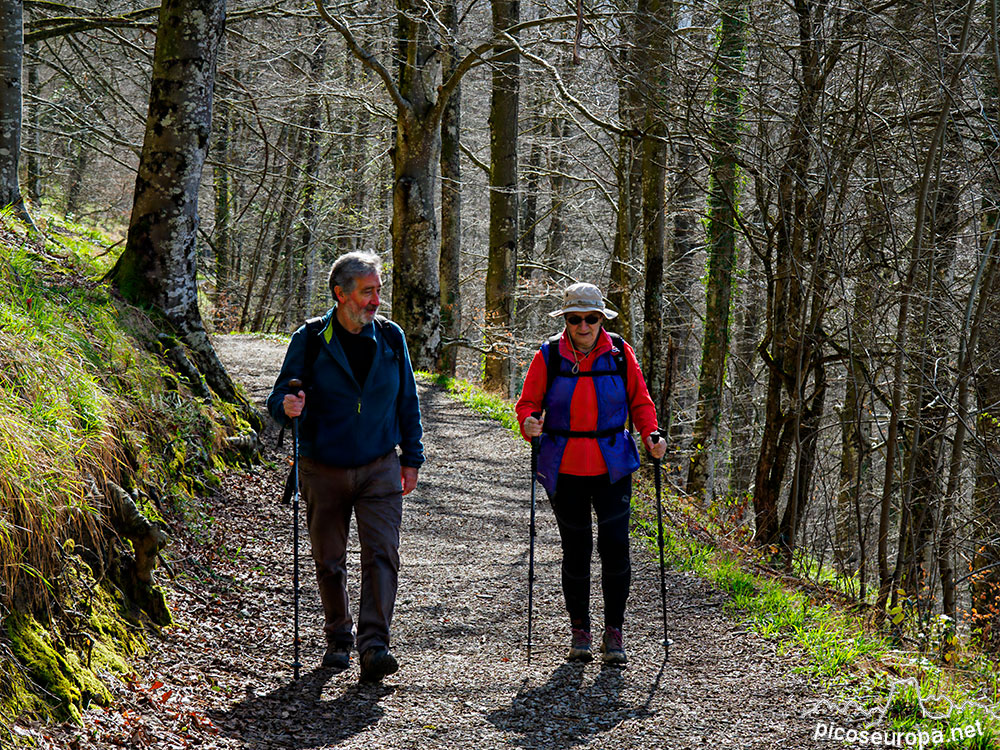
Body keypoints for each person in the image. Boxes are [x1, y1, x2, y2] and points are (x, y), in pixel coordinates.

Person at [267, 250, 424, 683]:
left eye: (378, 291)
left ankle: (375, 646)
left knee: (382, 554)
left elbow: (407, 400)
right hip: (323, 466)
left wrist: (412, 457)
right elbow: (278, 398)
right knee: (329, 559)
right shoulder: (312, 338)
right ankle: (338, 638)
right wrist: (287, 404)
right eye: (367, 292)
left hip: (379, 465)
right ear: (341, 294)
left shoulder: (391, 338)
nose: (376, 300)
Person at [515, 282, 666, 665]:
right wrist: (529, 423)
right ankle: (579, 630)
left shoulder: (619, 353)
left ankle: (614, 632)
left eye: (590, 318)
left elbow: (640, 401)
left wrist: (652, 434)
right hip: (564, 465)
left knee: (615, 547)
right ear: (565, 320)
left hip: (613, 464)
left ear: (602, 318)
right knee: (576, 550)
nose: (583, 326)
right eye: (575, 318)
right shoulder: (549, 355)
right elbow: (527, 404)